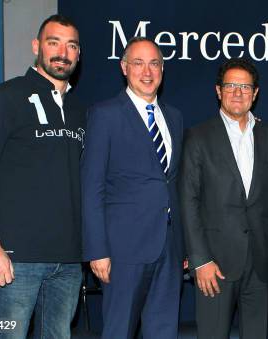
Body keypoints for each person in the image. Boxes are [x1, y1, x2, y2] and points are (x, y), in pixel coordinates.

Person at [0, 15, 84, 339]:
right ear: (36, 47)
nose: (63, 52)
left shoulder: (80, 110)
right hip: (16, 262)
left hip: (69, 262)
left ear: (78, 54)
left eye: (71, 45)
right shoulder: (4, 98)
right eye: (53, 42)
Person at [81, 37, 184, 338]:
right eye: (138, 63)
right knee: (119, 331)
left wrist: (183, 245)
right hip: (122, 250)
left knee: (164, 331)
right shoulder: (105, 114)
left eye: (154, 63)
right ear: (124, 68)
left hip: (169, 248)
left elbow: (172, 184)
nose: (147, 71)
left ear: (162, 69)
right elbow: (92, 186)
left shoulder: (173, 117)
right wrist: (97, 250)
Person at [180, 58, 268, 338]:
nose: (238, 93)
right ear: (218, 90)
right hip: (215, 264)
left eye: (245, 87)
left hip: (260, 263)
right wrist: (200, 260)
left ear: (255, 93)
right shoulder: (198, 137)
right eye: (231, 86)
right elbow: (188, 200)